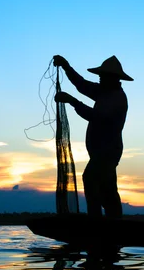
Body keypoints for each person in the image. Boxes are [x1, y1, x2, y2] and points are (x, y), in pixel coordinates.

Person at [53, 54, 133, 217]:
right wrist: (66, 66)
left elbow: (97, 116)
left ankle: (96, 220)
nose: (100, 79)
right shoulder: (104, 92)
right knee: (107, 188)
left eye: (103, 76)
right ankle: (114, 224)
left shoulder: (117, 97)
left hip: (108, 152)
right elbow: (82, 85)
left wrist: (72, 101)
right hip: (102, 152)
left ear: (112, 78)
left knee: (91, 179)